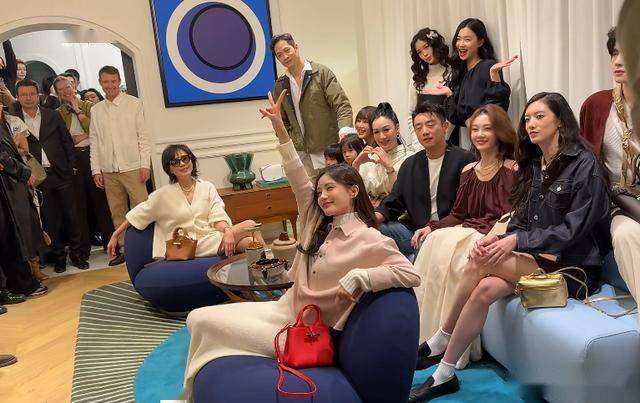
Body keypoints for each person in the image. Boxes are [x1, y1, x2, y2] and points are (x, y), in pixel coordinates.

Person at [181, 90, 420, 399]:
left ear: (353, 191)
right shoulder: (316, 220)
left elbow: (409, 273)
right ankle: (192, 393)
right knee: (197, 317)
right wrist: (280, 128)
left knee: (204, 324)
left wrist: (363, 276)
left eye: (330, 189)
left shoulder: (370, 238)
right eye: (319, 191)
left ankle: (193, 394)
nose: (322, 196)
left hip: (305, 330)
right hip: (283, 308)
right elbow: (295, 171)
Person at [409, 92, 611, 402]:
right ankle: (445, 374)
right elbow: (522, 216)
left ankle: (441, 338)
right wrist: (500, 237)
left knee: (479, 261)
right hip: (539, 257)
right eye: (527, 118)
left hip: (575, 266)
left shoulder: (584, 164)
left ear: (560, 121)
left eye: (540, 117)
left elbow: (573, 230)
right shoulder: (536, 163)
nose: (531, 124)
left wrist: (516, 240)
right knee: (483, 288)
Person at [412, 104, 517, 368]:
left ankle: (451, 342)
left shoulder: (513, 169)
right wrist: (432, 226)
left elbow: (512, 216)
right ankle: (429, 334)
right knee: (434, 241)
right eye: (475, 129)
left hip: (494, 235)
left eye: (487, 128)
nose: (480, 134)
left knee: (461, 248)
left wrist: (490, 238)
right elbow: (458, 214)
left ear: (500, 131)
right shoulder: (468, 170)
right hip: (468, 229)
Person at [107, 144, 260, 259]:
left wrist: (228, 231)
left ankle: (263, 277)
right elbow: (135, 215)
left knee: (249, 242)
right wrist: (115, 235)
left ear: (192, 160)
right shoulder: (162, 195)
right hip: (186, 246)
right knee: (250, 224)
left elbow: (217, 215)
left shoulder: (207, 187)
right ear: (170, 169)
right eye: (175, 162)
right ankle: (270, 273)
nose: (182, 164)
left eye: (185, 159)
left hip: (211, 238)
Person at [580, 27, 640, 307]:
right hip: (615, 203)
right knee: (627, 235)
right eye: (615, 53)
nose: (618, 61)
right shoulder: (596, 105)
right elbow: (585, 164)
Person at [376, 103, 475, 256]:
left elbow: (467, 209)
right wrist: (371, 219)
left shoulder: (464, 160)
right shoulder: (410, 164)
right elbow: (393, 202)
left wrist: (435, 228)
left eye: (430, 125)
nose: (425, 131)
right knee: (376, 230)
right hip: (415, 231)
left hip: (450, 230)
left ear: (445, 126)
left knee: (426, 245)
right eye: (419, 127)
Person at [15, 79, 87, 273]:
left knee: (72, 216)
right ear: (18, 97)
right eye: (24, 95)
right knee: (50, 220)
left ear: (38, 95)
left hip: (61, 173)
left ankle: (78, 255)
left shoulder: (52, 115)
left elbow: (66, 142)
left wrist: (71, 167)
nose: (28, 98)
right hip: (38, 178)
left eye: (32, 94)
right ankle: (59, 258)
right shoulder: (14, 120)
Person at [90, 65, 151, 266]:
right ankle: (125, 249)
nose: (110, 85)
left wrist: (145, 165)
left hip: (133, 166)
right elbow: (94, 141)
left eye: (113, 81)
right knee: (117, 211)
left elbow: (143, 136)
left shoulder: (134, 104)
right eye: (106, 82)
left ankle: (150, 247)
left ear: (119, 81)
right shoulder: (96, 110)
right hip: (108, 169)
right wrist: (96, 169)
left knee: (143, 208)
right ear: (100, 83)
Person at [271, 33, 353, 175]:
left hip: (328, 151)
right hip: (301, 154)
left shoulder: (321, 73)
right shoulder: (280, 84)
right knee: (307, 189)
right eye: (279, 55)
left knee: (334, 186)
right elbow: (282, 121)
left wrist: (345, 136)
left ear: (296, 47)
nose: (285, 57)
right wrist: (291, 141)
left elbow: (342, 105)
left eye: (287, 50)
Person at [55, 76, 116, 264]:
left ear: (74, 86)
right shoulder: (57, 113)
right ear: (57, 94)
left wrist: (78, 111)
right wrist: (82, 135)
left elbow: (96, 130)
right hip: (73, 159)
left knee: (102, 203)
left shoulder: (90, 106)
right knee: (78, 206)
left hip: (94, 156)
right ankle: (82, 251)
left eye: (68, 87)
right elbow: (65, 139)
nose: (66, 91)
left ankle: (111, 245)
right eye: (61, 89)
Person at [440, 18, 515, 149]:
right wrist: (449, 94)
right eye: (458, 39)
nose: (461, 44)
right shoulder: (461, 74)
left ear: (480, 42)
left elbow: (497, 109)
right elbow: (457, 118)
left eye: (467, 39)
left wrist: (494, 76)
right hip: (473, 143)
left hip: (491, 142)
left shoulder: (487, 67)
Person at [0, 124, 47, 297]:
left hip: (10, 186)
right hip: (7, 188)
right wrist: (25, 173)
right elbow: (3, 159)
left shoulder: (4, 125)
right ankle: (20, 284)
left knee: (13, 237)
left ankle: (19, 283)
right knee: (10, 237)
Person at [352, 103, 415, 208]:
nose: (381, 137)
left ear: (397, 128)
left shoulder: (410, 158)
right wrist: (356, 165)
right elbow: (354, 193)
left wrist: (389, 168)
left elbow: (400, 197)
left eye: (386, 130)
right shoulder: (370, 158)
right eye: (376, 132)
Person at [0, 40, 18, 113]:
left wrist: (5, 39)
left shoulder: (9, 74)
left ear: (3, 64)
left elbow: (10, 57)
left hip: (10, 110)